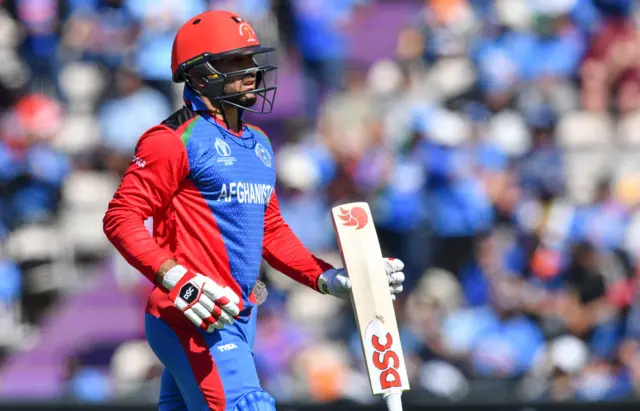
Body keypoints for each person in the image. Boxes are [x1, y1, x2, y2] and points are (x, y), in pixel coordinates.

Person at [102, 10, 406, 411]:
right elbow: (120, 218)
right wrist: (179, 280)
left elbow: (271, 229)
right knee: (249, 404)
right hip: (192, 316)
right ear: (197, 72)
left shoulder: (259, 143)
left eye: (249, 60)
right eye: (233, 62)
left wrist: (326, 277)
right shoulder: (172, 139)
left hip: (241, 316)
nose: (249, 71)